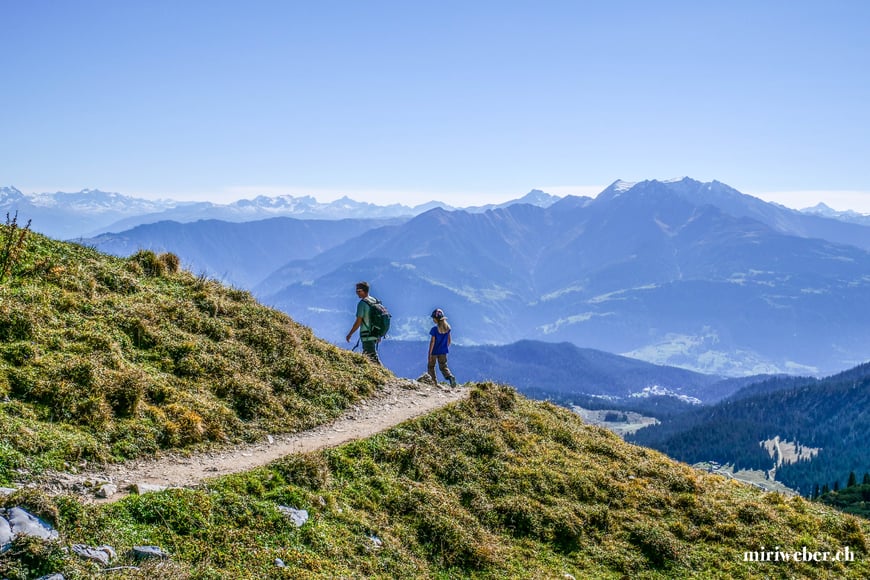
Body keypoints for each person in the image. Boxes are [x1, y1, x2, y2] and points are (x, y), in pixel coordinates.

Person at [345, 281, 382, 365]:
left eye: (358, 291)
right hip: (375, 332)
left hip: (367, 335)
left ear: (363, 291)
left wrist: (350, 334)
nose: (356, 293)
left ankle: (385, 375)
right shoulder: (375, 300)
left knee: (372, 357)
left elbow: (358, 322)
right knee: (368, 356)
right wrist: (379, 334)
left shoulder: (362, 304)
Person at [427, 308, 457, 387]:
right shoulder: (447, 329)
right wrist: (444, 347)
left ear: (436, 319)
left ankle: (433, 383)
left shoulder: (434, 330)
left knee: (431, 366)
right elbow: (449, 341)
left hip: (434, 351)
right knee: (443, 366)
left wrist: (430, 353)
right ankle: (450, 377)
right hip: (443, 351)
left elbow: (432, 342)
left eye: (433, 318)